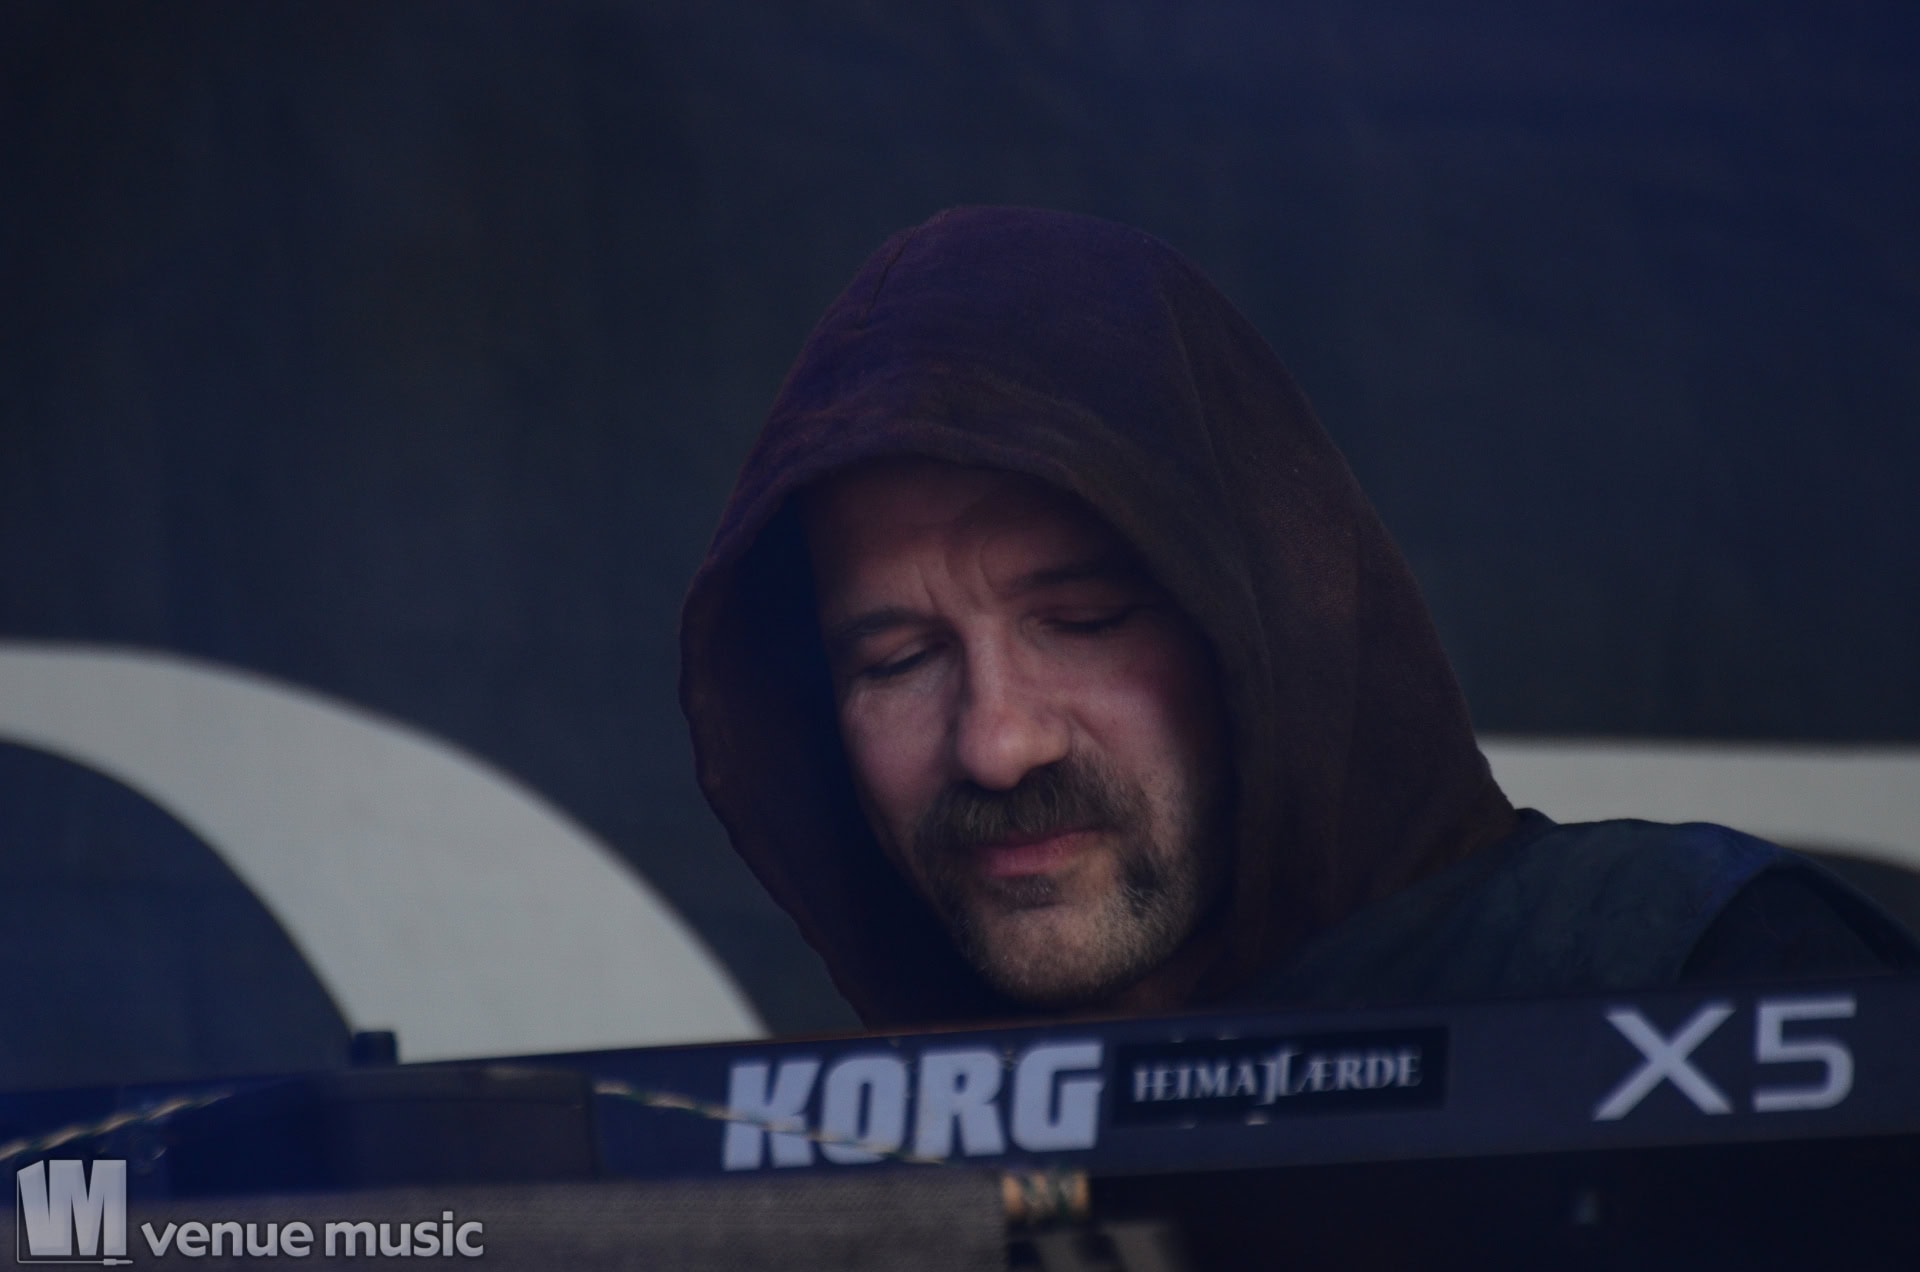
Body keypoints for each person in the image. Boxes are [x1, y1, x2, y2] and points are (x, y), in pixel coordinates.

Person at [678, 206, 1916, 1030]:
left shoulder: (1695, 974)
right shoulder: (861, 1169)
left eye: (1086, 619)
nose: (998, 744)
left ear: (1267, 625)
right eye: (898, 660)